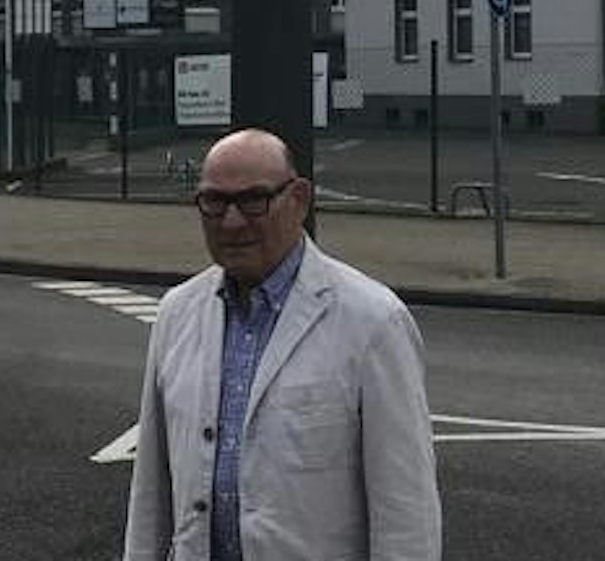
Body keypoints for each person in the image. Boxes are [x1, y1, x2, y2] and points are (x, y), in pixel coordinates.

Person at [123, 127, 440, 561]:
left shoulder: (374, 322)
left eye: (253, 200)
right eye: (214, 202)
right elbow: (150, 496)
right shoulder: (176, 313)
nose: (231, 222)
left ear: (299, 200)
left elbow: (407, 516)